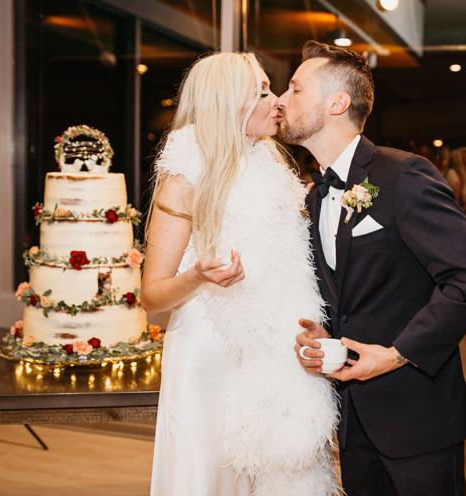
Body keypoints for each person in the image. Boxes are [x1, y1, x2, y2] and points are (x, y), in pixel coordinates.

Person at [283, 41, 466, 495]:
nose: (282, 101)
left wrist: (397, 353)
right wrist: (325, 333)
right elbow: (355, 291)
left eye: (295, 89)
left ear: (337, 103)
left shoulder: (403, 176)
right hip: (355, 418)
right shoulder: (317, 194)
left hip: (417, 416)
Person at [142, 52, 338, 495]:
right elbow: (152, 296)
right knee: (210, 475)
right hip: (210, 353)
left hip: (273, 349)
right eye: (263, 91)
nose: (277, 100)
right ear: (229, 103)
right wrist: (198, 276)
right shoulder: (183, 178)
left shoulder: (276, 170)